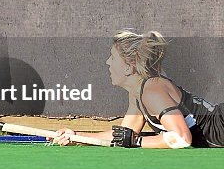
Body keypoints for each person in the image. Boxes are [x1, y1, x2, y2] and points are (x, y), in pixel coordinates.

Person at [54, 30, 224, 148]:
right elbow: (124, 135)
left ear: (129, 68)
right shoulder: (138, 93)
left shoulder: (152, 90)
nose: (107, 62)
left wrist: (136, 141)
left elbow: (181, 138)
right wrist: (76, 136)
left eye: (113, 57)